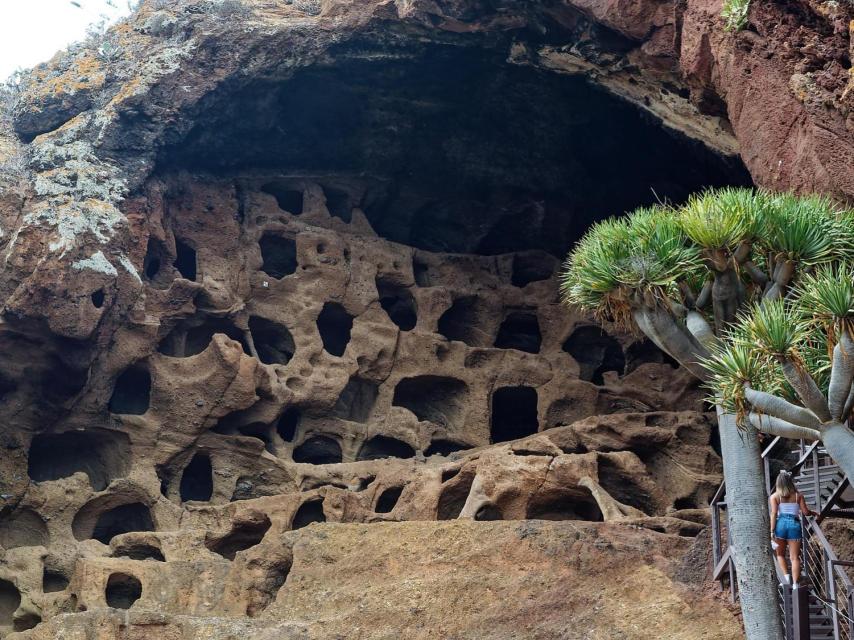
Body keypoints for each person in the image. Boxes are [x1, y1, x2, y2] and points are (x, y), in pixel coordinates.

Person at [769, 470, 818, 587]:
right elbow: (805, 512)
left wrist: (772, 530)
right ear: (790, 482)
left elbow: (774, 514)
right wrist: (814, 513)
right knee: (794, 557)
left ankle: (786, 579)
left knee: (780, 554)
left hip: (780, 525)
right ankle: (796, 584)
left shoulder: (775, 496)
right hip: (794, 526)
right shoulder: (798, 496)